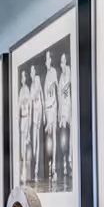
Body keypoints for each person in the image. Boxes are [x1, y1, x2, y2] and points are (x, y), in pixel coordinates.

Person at [41, 51, 59, 187]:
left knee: (53, 136)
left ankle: (54, 168)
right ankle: (50, 165)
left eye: (48, 58)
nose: (47, 61)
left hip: (52, 107)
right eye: (46, 59)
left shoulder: (53, 72)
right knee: (49, 139)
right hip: (47, 109)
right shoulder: (46, 75)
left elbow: (57, 91)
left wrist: (56, 112)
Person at [56, 51, 72, 189]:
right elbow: (60, 99)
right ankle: (66, 164)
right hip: (63, 112)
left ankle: (70, 163)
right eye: (61, 62)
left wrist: (67, 113)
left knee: (71, 138)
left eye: (64, 61)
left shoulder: (69, 72)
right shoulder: (61, 77)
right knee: (63, 139)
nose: (62, 64)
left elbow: (69, 95)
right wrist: (60, 115)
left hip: (71, 110)